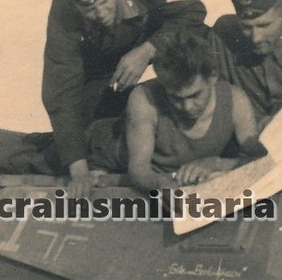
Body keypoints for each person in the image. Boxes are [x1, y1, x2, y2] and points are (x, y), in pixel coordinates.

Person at [0, 0, 207, 196]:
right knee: (88, 147)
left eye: (105, 2)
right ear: (75, 5)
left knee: (205, 41)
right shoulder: (64, 12)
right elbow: (61, 91)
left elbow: (193, 11)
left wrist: (148, 50)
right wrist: (79, 171)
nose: (100, 14)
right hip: (100, 79)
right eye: (89, 10)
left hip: (146, 51)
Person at [86, 31, 264, 193]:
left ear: (213, 76)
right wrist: (163, 185)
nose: (186, 107)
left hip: (165, 170)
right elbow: (138, 170)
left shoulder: (236, 100)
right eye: (176, 98)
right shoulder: (143, 99)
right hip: (101, 150)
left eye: (195, 95)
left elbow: (260, 161)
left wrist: (216, 163)